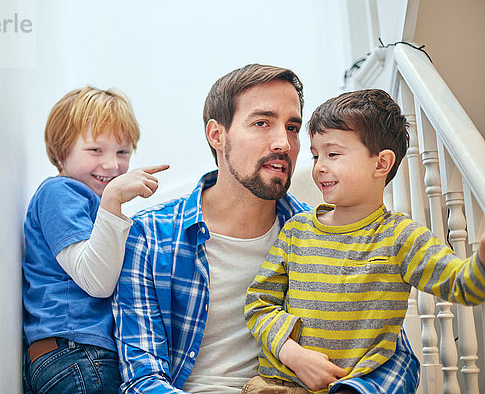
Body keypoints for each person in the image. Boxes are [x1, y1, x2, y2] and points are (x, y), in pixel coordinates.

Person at [112, 65, 420, 393]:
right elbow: (143, 380)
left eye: (292, 127)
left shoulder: (329, 233)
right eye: (262, 123)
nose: (284, 143)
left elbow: (394, 356)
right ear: (217, 134)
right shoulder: (151, 235)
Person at [245, 89, 485, 393]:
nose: (319, 166)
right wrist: (293, 355)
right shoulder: (296, 231)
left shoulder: (401, 237)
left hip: (354, 386)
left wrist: (481, 260)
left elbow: (465, 286)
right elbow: (258, 303)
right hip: (281, 382)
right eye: (316, 155)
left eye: (332, 154)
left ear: (381, 164)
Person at [22, 86, 168, 394]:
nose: (112, 166)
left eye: (122, 152)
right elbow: (97, 281)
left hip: (74, 355)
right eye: (95, 150)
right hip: (78, 353)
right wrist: (113, 198)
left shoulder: (84, 199)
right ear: (61, 150)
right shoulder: (60, 192)